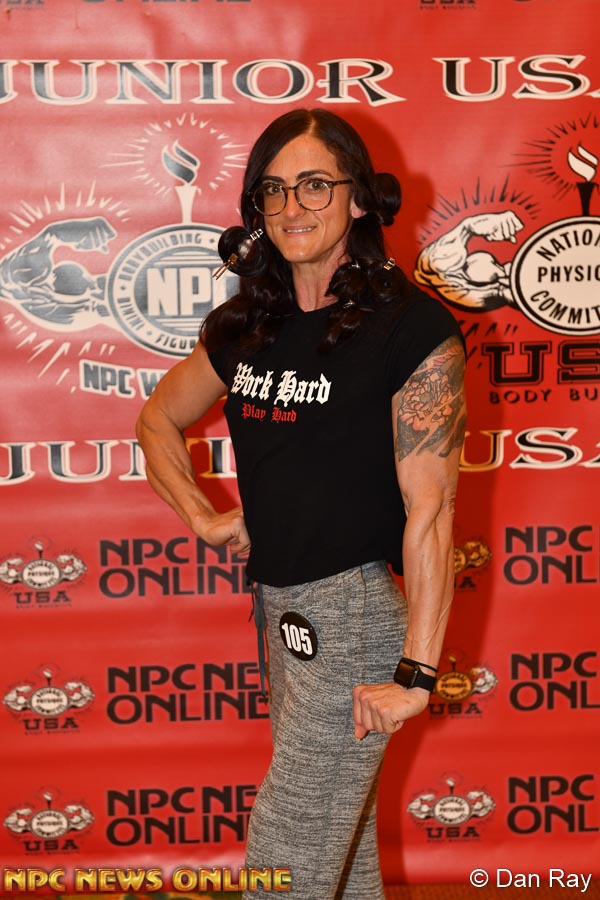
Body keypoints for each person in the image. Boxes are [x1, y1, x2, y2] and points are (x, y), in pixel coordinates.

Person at [136, 108, 466, 899]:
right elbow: (157, 419)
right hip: (279, 612)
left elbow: (433, 512)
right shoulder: (250, 325)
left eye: (315, 184)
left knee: (286, 863)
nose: (293, 206)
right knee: (338, 862)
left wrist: (417, 675)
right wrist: (203, 517)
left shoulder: (410, 329)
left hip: (352, 617)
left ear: (360, 199)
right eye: (274, 190)